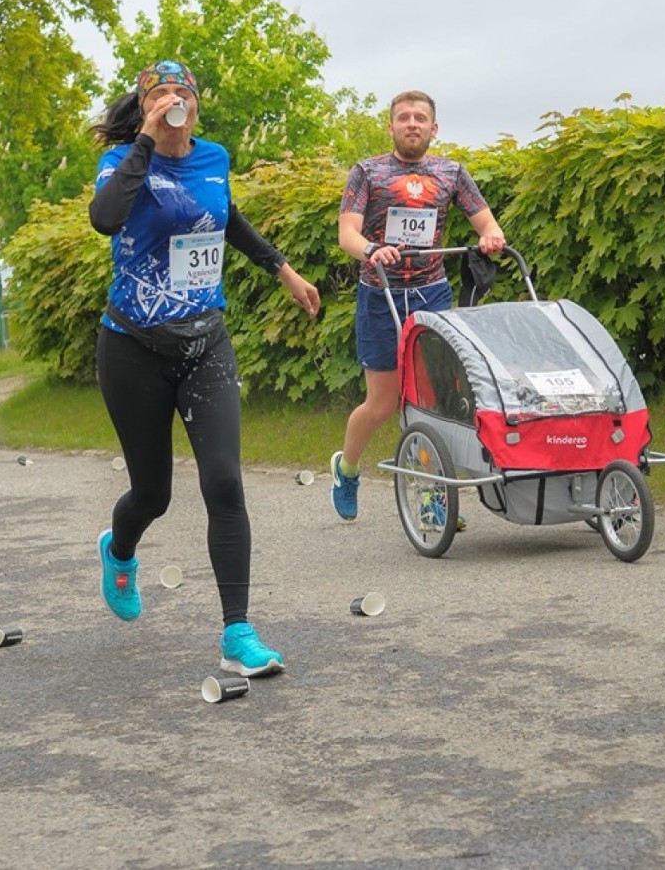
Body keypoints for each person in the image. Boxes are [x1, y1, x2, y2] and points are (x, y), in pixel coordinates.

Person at [89, 60, 320, 677]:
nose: (172, 100)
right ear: (145, 106)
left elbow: (227, 218)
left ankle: (237, 633)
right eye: (160, 94)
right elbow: (106, 218)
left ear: (195, 104)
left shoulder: (213, 156)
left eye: (181, 92)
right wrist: (144, 138)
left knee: (224, 482)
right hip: (132, 348)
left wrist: (283, 270)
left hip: (204, 346)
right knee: (154, 494)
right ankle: (120, 548)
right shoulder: (122, 163)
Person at [331, 89, 504, 521]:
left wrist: (490, 239)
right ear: (390, 127)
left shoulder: (451, 173)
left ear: (433, 128)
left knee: (440, 400)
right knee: (383, 405)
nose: (412, 124)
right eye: (404, 117)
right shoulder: (367, 172)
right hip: (380, 292)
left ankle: (435, 495)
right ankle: (346, 469)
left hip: (432, 294)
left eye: (420, 118)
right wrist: (371, 248)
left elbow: (487, 224)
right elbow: (347, 235)